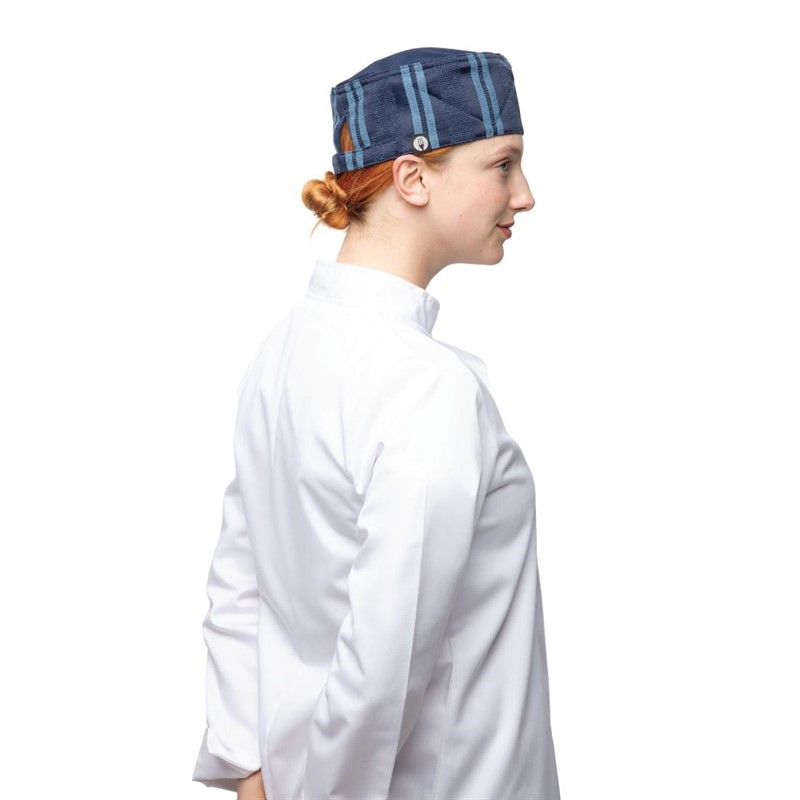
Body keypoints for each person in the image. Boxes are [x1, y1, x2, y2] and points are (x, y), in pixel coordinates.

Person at [193, 47, 560, 800]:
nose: (524, 195)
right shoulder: (429, 387)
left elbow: (239, 584)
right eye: (503, 164)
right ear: (413, 177)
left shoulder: (282, 351)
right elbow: (381, 665)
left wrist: (247, 766)